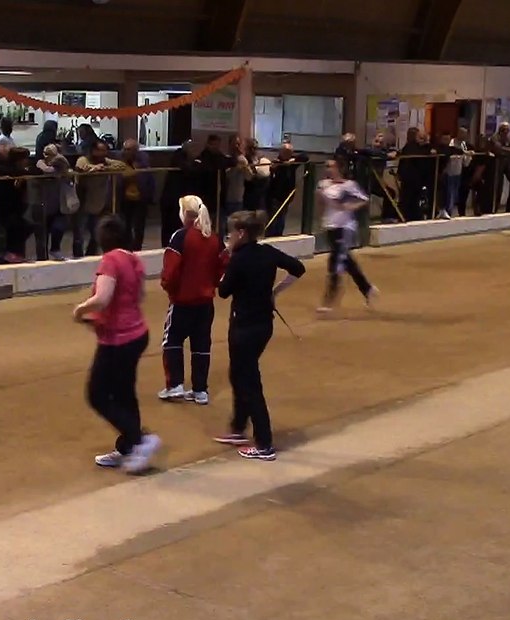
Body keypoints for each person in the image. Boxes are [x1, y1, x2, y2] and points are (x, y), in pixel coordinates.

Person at [214, 210, 306, 461]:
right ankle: (238, 428)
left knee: (249, 382)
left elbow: (223, 291)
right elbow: (298, 268)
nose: (228, 237)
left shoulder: (239, 259)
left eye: (231, 233)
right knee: (240, 375)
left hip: (243, 327)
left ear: (241, 233)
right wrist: (275, 292)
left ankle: (264, 443)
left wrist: (228, 260)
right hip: (263, 325)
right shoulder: (268, 252)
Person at [73, 216, 162, 474]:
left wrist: (80, 310)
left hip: (118, 340)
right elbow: (139, 296)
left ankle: (139, 439)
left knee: (97, 394)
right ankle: (129, 447)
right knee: (124, 393)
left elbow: (102, 299)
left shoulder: (111, 260)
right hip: (136, 333)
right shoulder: (134, 260)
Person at [159, 196, 227, 405]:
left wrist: (169, 288)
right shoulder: (215, 238)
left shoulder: (180, 237)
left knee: (171, 341)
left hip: (181, 302)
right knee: (201, 344)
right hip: (205, 303)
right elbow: (223, 267)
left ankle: (175, 385)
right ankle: (200, 390)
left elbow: (170, 271)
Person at [317, 159, 378, 314]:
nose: (328, 169)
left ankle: (329, 299)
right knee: (347, 261)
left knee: (336, 261)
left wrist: (350, 206)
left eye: (331, 166)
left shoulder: (349, 185)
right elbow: (321, 203)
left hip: (345, 227)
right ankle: (368, 288)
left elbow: (364, 200)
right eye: (327, 166)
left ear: (339, 168)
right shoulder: (323, 184)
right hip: (331, 225)